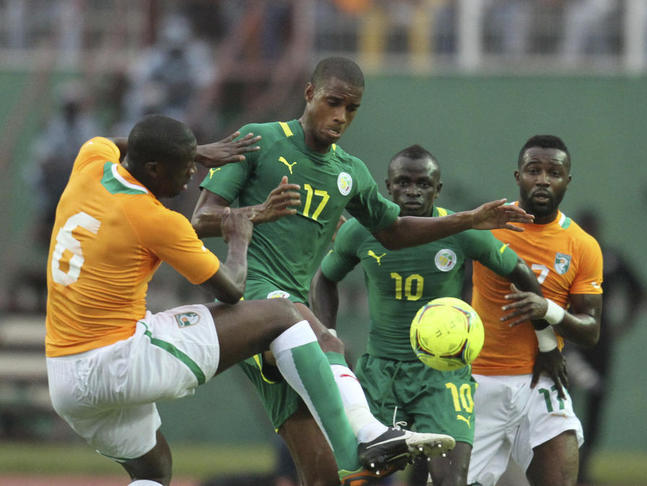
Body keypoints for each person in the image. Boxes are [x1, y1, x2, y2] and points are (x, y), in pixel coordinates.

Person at [191, 56, 535, 485]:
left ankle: (360, 439)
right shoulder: (258, 140)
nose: (341, 117)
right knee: (327, 341)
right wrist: (258, 213)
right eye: (333, 102)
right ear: (309, 93)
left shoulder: (349, 172)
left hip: (291, 308)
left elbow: (392, 230)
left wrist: (466, 220)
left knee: (321, 469)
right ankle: (373, 433)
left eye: (351, 109)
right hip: (254, 293)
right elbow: (201, 220)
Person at [44, 114, 414, 486]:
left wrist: (196, 151)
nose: (193, 174)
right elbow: (232, 290)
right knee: (283, 316)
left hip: (64, 375)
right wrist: (240, 234)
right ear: (154, 168)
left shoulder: (90, 167)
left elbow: (110, 141)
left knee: (153, 470)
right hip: (119, 360)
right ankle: (352, 454)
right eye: (185, 166)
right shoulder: (154, 218)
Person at [310, 144, 546, 486]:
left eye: (423, 184)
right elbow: (324, 279)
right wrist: (327, 332)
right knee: (363, 478)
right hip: (381, 375)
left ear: (438, 189)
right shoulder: (361, 231)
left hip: (443, 376)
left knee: (450, 479)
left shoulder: (461, 232)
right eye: (403, 182)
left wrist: (546, 341)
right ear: (387, 187)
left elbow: (519, 271)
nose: (412, 190)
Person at [467, 135, 603, 486]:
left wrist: (549, 310)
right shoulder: (491, 227)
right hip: (480, 379)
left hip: (541, 380)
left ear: (567, 180)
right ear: (518, 176)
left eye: (553, 172)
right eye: (534, 170)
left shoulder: (583, 246)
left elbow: (590, 330)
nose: (543, 179)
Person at [567, 209, 646, 484]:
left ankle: (584, 469)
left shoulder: (609, 258)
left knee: (595, 403)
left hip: (599, 341)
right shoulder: (566, 257)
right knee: (561, 403)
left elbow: (639, 291)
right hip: (568, 341)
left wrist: (623, 325)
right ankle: (563, 466)